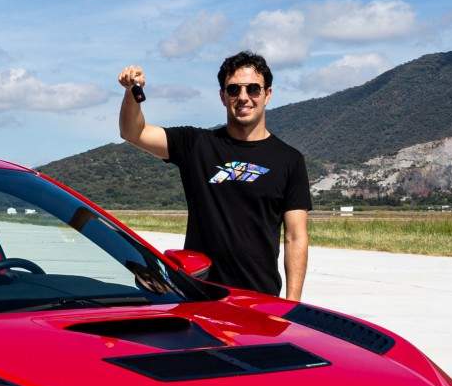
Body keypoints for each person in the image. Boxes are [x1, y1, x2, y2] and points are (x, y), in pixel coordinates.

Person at [117, 51, 310, 300]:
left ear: (268, 94)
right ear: (222, 96)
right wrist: (132, 92)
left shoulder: (289, 160)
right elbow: (133, 132)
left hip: (260, 297)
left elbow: (295, 237)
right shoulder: (196, 144)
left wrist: (292, 303)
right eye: (233, 89)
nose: (243, 97)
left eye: (253, 89)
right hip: (199, 295)